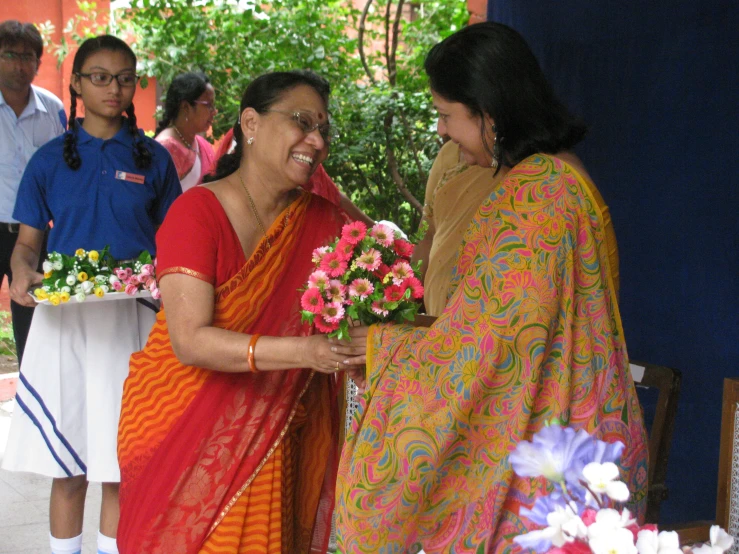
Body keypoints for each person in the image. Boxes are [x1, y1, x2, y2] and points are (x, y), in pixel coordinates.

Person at [335, 22, 648, 553]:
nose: (441, 130)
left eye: (445, 114)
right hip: (575, 439)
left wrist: (385, 347)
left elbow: (492, 346)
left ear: (490, 114)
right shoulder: (551, 179)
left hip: (553, 463)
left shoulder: (537, 198)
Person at [117, 70, 366, 554]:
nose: (315, 141)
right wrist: (307, 350)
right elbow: (190, 341)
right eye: (301, 122)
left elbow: (361, 312)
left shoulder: (325, 222)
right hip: (185, 428)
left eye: (322, 129)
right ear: (250, 123)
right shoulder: (198, 213)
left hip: (276, 432)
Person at [1, 35, 181, 554]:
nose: (114, 87)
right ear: (77, 84)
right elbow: (27, 246)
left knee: (121, 461)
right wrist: (22, 273)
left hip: (133, 322)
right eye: (99, 77)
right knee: (68, 463)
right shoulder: (48, 160)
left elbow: (173, 243)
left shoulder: (155, 160)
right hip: (65, 321)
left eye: (125, 77)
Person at [0, 20, 66, 365]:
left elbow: (64, 167)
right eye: (10, 55)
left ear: (38, 63)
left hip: (35, 232)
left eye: (27, 57)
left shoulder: (53, 109)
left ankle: (31, 390)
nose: (19, 64)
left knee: (35, 316)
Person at [216, 126, 373, 224]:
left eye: (323, 132)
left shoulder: (302, 160)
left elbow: (333, 196)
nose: (317, 142)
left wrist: (378, 230)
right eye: (303, 122)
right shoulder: (216, 206)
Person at [155, 71, 217, 192]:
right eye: (208, 105)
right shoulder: (166, 149)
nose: (214, 111)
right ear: (186, 107)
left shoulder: (201, 144)